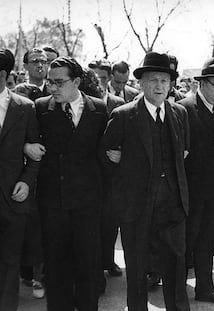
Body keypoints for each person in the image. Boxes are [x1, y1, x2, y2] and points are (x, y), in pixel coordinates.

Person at [102, 52, 190, 311]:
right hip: (136, 207)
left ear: (171, 84)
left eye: (164, 80)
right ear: (140, 83)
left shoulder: (179, 113)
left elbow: (183, 155)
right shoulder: (123, 115)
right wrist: (116, 161)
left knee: (175, 265)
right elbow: (104, 158)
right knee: (138, 268)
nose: (159, 86)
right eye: (153, 80)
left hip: (172, 205)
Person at [33, 56, 108, 311]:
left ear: (76, 82)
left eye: (59, 83)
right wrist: (26, 145)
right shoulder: (41, 108)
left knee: (88, 263)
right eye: (49, 83)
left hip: (88, 202)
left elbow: (104, 154)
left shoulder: (99, 110)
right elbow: (28, 139)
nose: (52, 88)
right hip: (53, 200)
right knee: (56, 264)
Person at [178, 57, 214, 305]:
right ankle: (177, 289)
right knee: (184, 242)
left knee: (208, 241)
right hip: (188, 192)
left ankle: (205, 288)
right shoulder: (183, 109)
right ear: (201, 83)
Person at [0, 48, 40, 311]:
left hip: (11, 199)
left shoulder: (25, 108)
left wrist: (26, 181)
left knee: (9, 262)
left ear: (3, 75)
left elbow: (36, 152)